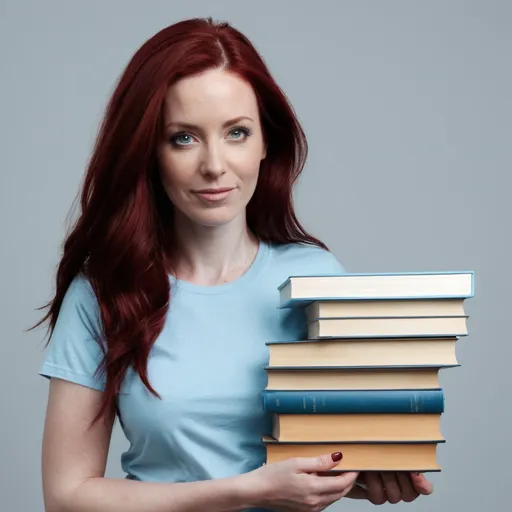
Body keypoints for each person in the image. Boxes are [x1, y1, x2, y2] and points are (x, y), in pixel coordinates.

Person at [34, 17, 433, 512]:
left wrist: (366, 472)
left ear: (266, 141)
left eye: (237, 133)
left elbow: (334, 453)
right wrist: (249, 490)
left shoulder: (317, 278)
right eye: (184, 137)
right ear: (149, 153)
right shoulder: (103, 292)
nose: (214, 164)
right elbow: (66, 496)